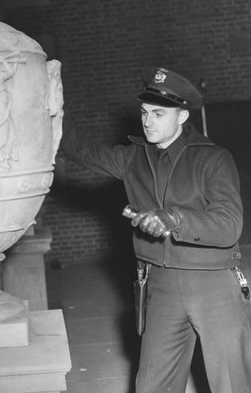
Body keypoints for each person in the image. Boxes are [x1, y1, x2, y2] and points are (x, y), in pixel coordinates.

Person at [60, 66, 251, 393]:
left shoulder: (214, 159)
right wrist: (56, 106)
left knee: (230, 384)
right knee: (151, 385)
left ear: (181, 116)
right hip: (159, 284)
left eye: (159, 113)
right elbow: (80, 152)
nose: (148, 121)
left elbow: (229, 224)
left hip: (212, 283)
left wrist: (174, 218)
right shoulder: (133, 157)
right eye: (145, 112)